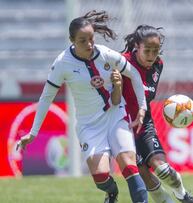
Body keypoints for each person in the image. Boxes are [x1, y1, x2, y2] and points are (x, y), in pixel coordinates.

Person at [16, 10, 149, 203]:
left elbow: (135, 74)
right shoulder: (62, 63)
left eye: (91, 39)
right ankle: (111, 193)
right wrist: (33, 132)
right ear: (71, 40)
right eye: (82, 40)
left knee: (129, 166)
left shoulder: (105, 54)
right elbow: (46, 97)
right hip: (89, 125)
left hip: (115, 115)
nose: (89, 45)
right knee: (101, 176)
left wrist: (142, 107)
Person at [120, 25, 193, 203]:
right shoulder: (122, 63)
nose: (151, 55)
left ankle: (182, 194)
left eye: (156, 51)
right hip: (121, 126)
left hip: (144, 124)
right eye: (147, 50)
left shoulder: (158, 65)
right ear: (137, 47)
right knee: (142, 172)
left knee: (162, 169)